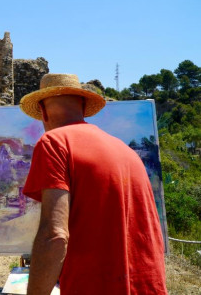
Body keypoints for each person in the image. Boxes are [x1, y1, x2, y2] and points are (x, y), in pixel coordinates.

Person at [19, 73, 167, 294]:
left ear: (42, 111)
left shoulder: (54, 142)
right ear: (82, 106)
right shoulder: (125, 150)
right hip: (148, 286)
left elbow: (54, 235)